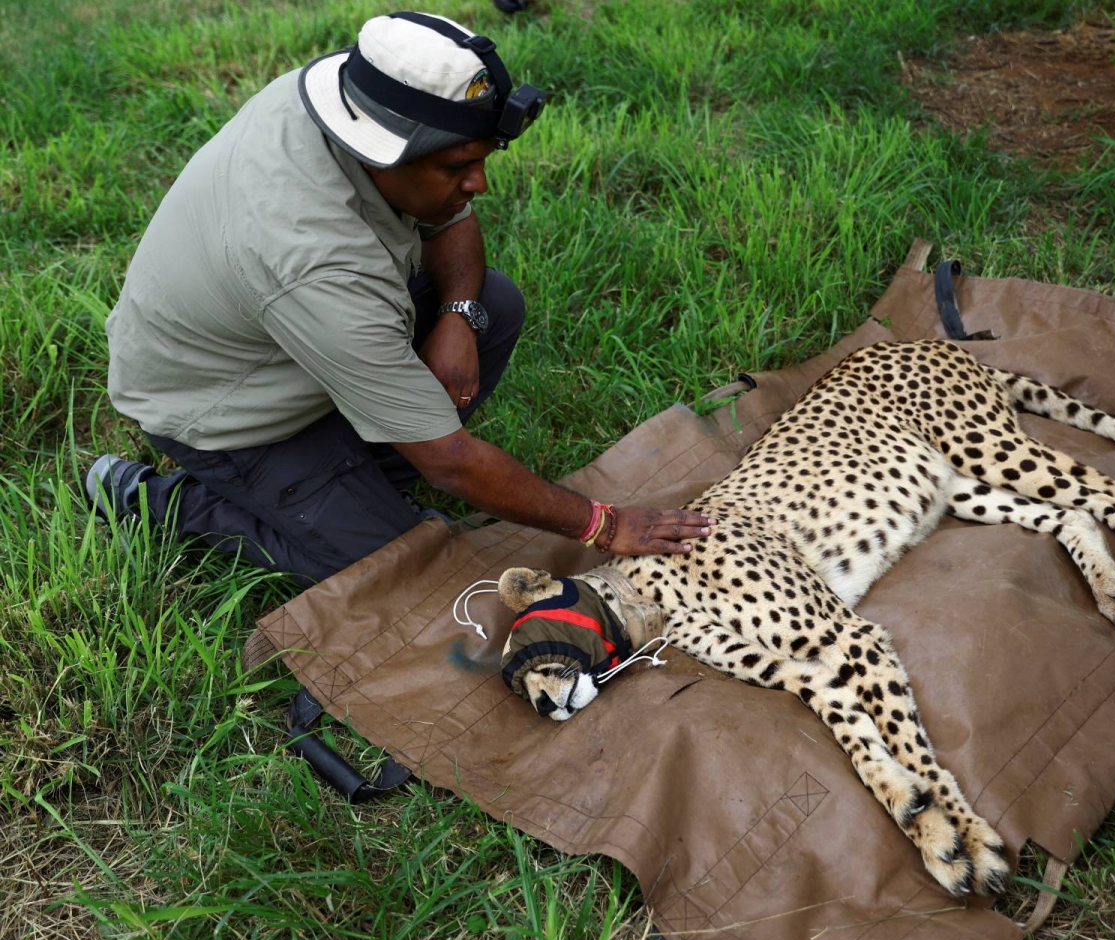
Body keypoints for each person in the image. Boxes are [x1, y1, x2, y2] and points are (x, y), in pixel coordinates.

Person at [90, 11, 713, 587]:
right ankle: (170, 503)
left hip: (298, 344)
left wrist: (456, 317)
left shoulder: (352, 100)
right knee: (407, 566)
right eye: (458, 167)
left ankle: (358, 483)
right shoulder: (313, 260)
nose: (480, 184)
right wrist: (603, 525)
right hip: (224, 414)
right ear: (383, 153)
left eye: (482, 159)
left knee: (492, 304)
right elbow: (450, 462)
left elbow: (453, 216)